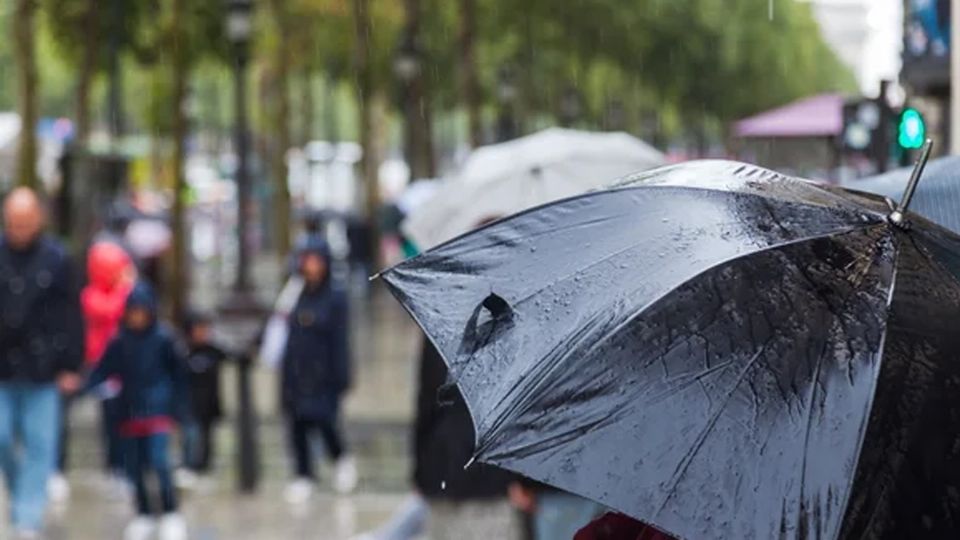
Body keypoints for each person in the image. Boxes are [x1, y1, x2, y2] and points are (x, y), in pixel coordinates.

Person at [0, 188, 83, 537]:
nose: (19, 228)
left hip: (43, 369)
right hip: (2, 367)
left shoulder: (57, 258)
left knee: (39, 445)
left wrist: (71, 365)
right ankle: (22, 497)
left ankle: (27, 517)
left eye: (25, 221)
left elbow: (71, 314)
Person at [84, 282, 188, 540]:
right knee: (135, 468)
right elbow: (100, 372)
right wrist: (93, 388)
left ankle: (170, 511)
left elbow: (179, 376)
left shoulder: (164, 339)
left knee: (159, 462)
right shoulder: (119, 342)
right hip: (128, 414)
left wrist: (178, 409)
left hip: (157, 412)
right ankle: (143, 513)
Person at [413, 340, 519, 540]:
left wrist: (420, 472)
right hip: (489, 473)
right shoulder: (511, 331)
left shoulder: (439, 332)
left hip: (445, 467)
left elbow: (426, 405)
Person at [281, 239, 357, 503]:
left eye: (315, 260)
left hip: (323, 373)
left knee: (325, 421)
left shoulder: (336, 297)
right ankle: (303, 475)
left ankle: (340, 459)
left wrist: (343, 376)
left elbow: (340, 340)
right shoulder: (295, 292)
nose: (311, 266)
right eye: (306, 260)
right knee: (297, 425)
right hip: (295, 371)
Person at [180, 312, 227, 478]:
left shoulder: (214, 351)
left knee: (207, 437)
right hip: (190, 403)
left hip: (209, 404)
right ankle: (189, 466)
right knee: (191, 436)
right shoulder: (182, 352)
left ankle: (204, 467)